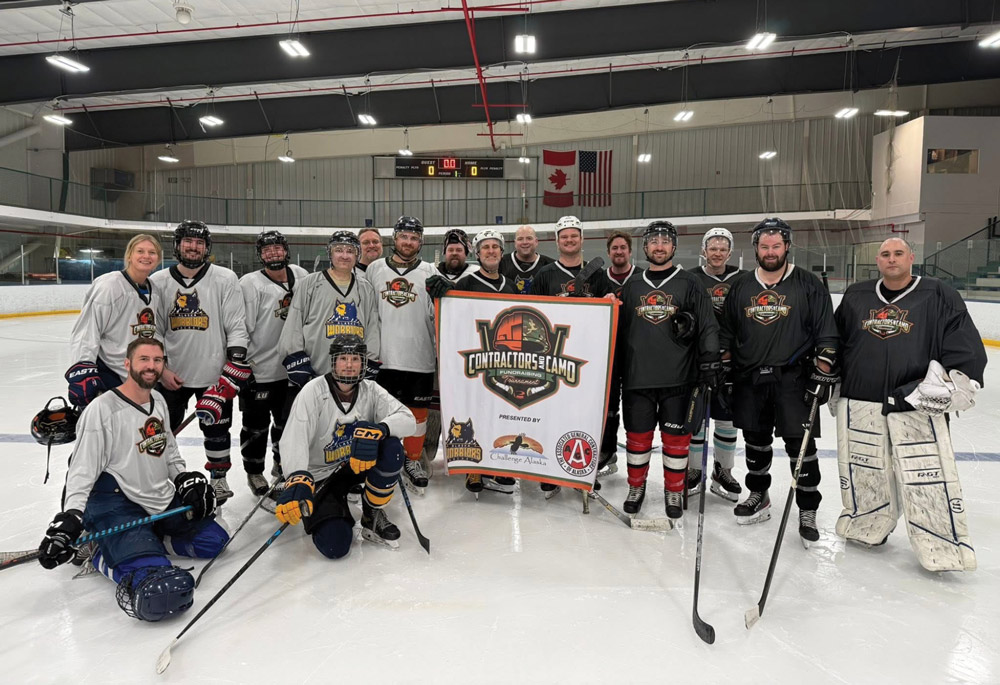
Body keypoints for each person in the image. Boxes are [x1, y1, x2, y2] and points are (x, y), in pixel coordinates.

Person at [38, 337, 227, 622]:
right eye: (144, 359)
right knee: (159, 590)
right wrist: (72, 516)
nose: (151, 366)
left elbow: (170, 454)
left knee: (214, 540)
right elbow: (81, 471)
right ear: (127, 364)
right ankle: (97, 548)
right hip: (115, 502)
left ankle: (145, 540)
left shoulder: (159, 400)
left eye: (157, 360)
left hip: (155, 496)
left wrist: (185, 478)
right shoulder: (102, 410)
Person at [833, 237, 986, 571]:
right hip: (862, 399)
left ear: (912, 258)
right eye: (886, 254)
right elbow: (836, 340)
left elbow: (962, 340)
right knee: (864, 469)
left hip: (914, 404)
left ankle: (940, 543)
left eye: (898, 253)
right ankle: (867, 524)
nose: (892, 259)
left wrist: (954, 380)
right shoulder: (857, 295)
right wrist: (828, 375)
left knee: (926, 475)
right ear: (877, 260)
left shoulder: (938, 293)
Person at [719, 218, 838, 544]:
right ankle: (759, 494)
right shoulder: (741, 286)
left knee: (801, 446)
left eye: (776, 246)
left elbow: (826, 330)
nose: (770, 252)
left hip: (794, 378)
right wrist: (725, 372)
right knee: (755, 440)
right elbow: (727, 333)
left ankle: (807, 507)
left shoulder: (808, 283)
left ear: (787, 246)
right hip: (750, 378)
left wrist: (823, 371)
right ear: (755, 248)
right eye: (764, 246)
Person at [275, 335, 416, 554]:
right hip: (322, 474)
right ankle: (335, 508)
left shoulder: (371, 390)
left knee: (392, 448)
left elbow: (408, 420)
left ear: (363, 363)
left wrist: (381, 429)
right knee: (335, 545)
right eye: (343, 358)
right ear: (333, 362)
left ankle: (372, 513)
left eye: (355, 359)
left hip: (356, 464)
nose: (349, 364)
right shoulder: (313, 392)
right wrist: (297, 477)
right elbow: (294, 438)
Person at [618, 221, 719, 520]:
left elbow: (707, 324)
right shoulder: (632, 285)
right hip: (638, 377)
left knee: (676, 440)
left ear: (673, 247)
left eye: (665, 241)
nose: (659, 246)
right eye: (653, 241)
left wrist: (710, 360)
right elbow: (619, 330)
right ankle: (636, 487)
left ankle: (674, 489)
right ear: (645, 247)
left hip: (679, 377)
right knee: (637, 437)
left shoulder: (690, 283)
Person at [150, 220, 252, 504]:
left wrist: (231, 370)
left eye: (199, 243)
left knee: (218, 430)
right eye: (188, 242)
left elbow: (236, 325)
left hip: (214, 374)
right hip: (172, 375)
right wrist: (162, 370)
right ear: (177, 245)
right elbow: (154, 331)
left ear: (207, 248)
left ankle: (218, 479)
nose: (193, 247)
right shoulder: (158, 282)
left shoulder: (224, 278)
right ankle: (159, 476)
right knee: (162, 431)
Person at [426, 229, 518, 495]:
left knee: (500, 413)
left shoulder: (510, 286)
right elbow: (448, 307)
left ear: (502, 253)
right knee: (475, 412)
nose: (491, 251)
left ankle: (498, 465)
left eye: (495, 247)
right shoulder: (467, 283)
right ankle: (474, 468)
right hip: (475, 360)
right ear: (478, 254)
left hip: (503, 361)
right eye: (485, 247)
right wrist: (437, 290)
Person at [364, 216, 436, 494]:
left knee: (418, 416)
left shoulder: (430, 271)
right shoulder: (375, 269)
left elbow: (437, 312)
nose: (409, 242)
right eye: (404, 236)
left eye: (414, 238)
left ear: (421, 241)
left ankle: (413, 460)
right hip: (384, 358)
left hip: (420, 357)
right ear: (394, 238)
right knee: (382, 415)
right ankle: (383, 458)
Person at [238, 230, 309, 495]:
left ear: (286, 250)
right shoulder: (250, 284)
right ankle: (254, 472)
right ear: (260, 255)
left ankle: (282, 465)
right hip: (259, 370)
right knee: (255, 428)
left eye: (277, 248)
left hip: (293, 370)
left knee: (288, 425)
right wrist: (242, 364)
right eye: (267, 250)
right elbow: (241, 327)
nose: (273, 253)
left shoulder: (301, 275)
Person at [65, 234, 165, 408]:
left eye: (152, 252)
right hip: (108, 372)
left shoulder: (153, 290)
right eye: (140, 251)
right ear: (129, 256)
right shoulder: (109, 285)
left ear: (158, 259)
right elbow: (88, 329)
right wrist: (83, 369)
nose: (146, 256)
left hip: (136, 374)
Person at [278, 230, 381, 397]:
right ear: (330, 253)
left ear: (357, 255)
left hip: (352, 378)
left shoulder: (366, 288)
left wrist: (370, 361)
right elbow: (293, 326)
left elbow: (372, 329)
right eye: (339, 250)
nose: (345, 256)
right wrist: (296, 360)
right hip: (315, 374)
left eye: (350, 251)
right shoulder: (310, 283)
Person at [685, 227, 744, 502]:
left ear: (729, 252)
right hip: (699, 362)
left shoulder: (742, 279)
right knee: (697, 418)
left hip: (732, 362)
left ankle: (723, 470)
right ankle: (694, 470)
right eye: (712, 248)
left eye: (722, 248)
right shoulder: (691, 278)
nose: (717, 253)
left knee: (727, 420)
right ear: (704, 251)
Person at [596, 230, 639, 479]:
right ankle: (607, 451)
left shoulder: (641, 278)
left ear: (630, 251)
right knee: (609, 407)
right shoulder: (601, 280)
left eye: (623, 247)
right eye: (615, 248)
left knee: (634, 407)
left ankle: (636, 456)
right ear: (609, 252)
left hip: (636, 354)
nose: (619, 252)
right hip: (609, 353)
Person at [530, 216, 608, 299]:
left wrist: (610, 298)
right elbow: (534, 308)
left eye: (574, 236)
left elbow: (610, 307)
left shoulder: (597, 273)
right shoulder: (544, 275)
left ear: (581, 239)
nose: (569, 240)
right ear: (557, 241)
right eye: (564, 237)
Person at [498, 224, 554, 294]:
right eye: (520, 239)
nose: (524, 242)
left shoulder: (550, 266)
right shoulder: (500, 263)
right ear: (515, 243)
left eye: (529, 238)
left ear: (536, 242)